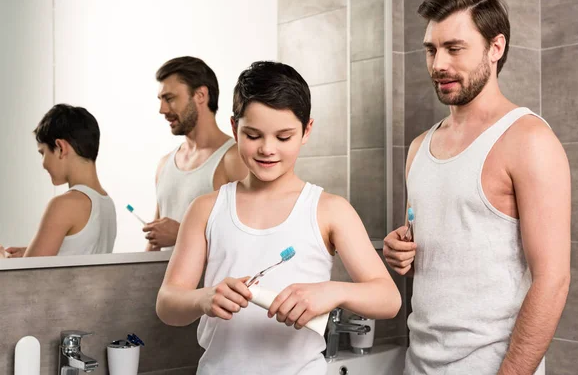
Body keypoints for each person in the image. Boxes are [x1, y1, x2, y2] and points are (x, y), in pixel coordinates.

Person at [156, 61, 402, 374]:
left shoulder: (329, 209)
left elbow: (388, 298)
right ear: (234, 128)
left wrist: (334, 291)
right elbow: (167, 304)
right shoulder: (205, 208)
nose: (267, 149)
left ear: (306, 131)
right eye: (253, 135)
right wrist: (204, 299)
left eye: (283, 137)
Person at [383, 0, 571, 375]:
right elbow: (446, 256)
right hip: (418, 362)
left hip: (492, 365)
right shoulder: (419, 147)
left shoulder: (529, 140)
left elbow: (552, 281)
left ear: (495, 47)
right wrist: (403, 251)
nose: (438, 65)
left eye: (455, 48)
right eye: (431, 50)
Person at [144, 56, 247, 251]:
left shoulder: (234, 159)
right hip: (165, 281)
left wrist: (181, 233)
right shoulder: (165, 164)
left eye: (170, 98)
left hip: (210, 282)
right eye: (160, 100)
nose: (162, 109)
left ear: (200, 95)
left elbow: (251, 237)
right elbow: (154, 241)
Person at [2, 104, 117, 257]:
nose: (43, 164)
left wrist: (3, 260)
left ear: (60, 148)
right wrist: (27, 253)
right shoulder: (107, 204)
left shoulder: (63, 205)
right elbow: (78, 256)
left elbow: (28, 276)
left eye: (42, 153)